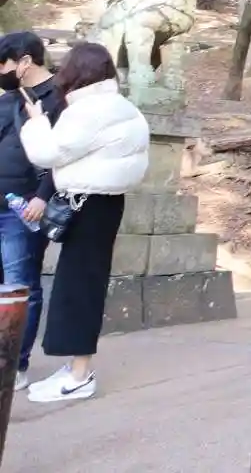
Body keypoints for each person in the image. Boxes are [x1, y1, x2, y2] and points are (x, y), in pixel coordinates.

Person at [19, 42, 149, 402]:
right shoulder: (123, 106)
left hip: (88, 204)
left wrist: (37, 123)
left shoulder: (89, 110)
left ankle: (79, 375)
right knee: (82, 284)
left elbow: (47, 153)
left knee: (78, 287)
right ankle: (75, 367)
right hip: (105, 203)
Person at [0, 32, 63, 388]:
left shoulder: (60, 97)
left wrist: (42, 196)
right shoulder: (8, 99)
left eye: (3, 64)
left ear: (24, 61)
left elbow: (63, 153)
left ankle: (14, 365)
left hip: (25, 208)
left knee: (20, 285)